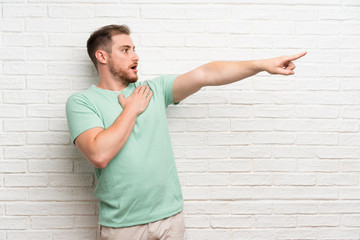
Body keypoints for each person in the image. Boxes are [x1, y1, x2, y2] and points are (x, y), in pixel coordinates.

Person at [66, 24, 306, 240]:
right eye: (126, 50)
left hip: (170, 220)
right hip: (123, 227)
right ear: (102, 56)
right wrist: (131, 110)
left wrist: (261, 65)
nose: (136, 56)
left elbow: (205, 74)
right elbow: (99, 154)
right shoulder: (82, 102)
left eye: (134, 49)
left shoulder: (154, 90)